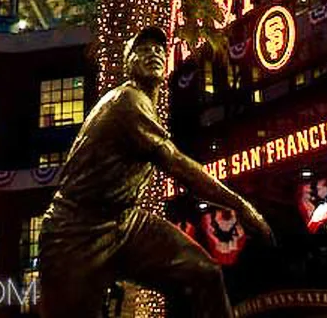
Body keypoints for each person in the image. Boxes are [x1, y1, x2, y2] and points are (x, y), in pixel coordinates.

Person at [38, 25, 272, 317]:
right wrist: (241, 206)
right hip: (76, 229)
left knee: (203, 272)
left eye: (159, 49)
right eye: (144, 50)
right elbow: (177, 164)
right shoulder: (127, 100)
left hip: (124, 220)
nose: (154, 54)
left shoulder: (144, 104)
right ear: (129, 63)